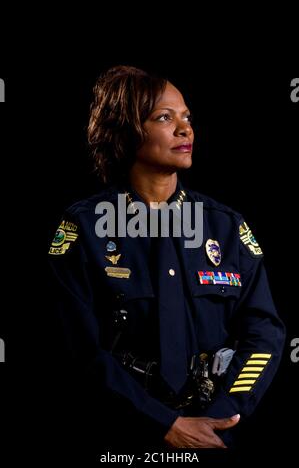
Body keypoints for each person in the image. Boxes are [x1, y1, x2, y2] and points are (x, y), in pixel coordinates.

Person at [48, 65, 285, 452]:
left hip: (215, 435)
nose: (184, 129)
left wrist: (224, 415)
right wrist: (163, 423)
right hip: (117, 439)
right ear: (126, 131)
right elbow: (77, 351)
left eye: (187, 117)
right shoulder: (84, 230)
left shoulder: (225, 227)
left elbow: (265, 334)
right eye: (164, 118)